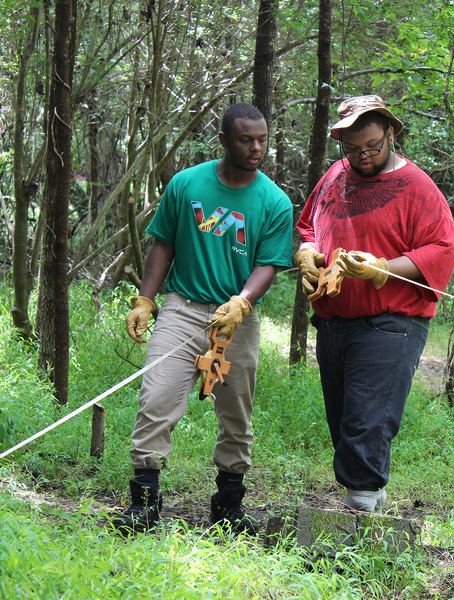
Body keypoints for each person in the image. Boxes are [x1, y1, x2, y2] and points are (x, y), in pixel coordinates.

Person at [111, 103, 293, 534]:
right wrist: (145, 299)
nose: (256, 147)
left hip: (237, 320)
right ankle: (145, 503)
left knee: (236, 416)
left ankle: (228, 506)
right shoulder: (186, 184)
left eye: (262, 139)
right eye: (246, 139)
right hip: (183, 309)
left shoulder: (274, 201)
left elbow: (268, 263)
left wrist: (243, 302)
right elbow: (163, 244)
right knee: (155, 401)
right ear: (225, 141)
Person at [295, 95, 454, 512]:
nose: (362, 156)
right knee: (344, 417)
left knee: (367, 420)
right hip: (333, 319)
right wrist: (308, 252)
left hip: (391, 322)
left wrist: (383, 268)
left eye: (371, 146)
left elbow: (442, 247)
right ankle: (365, 500)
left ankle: (362, 512)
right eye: (352, 149)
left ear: (391, 133)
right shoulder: (335, 174)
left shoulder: (418, 188)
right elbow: (309, 223)